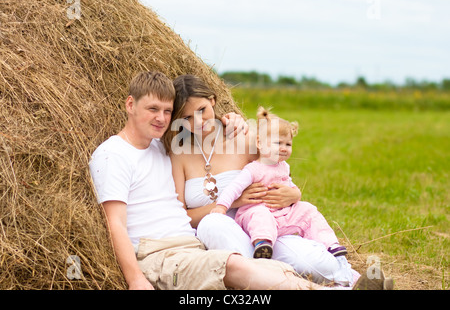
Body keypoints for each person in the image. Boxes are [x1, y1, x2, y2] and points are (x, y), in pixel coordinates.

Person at [89, 70, 331, 290]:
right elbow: (115, 224)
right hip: (160, 254)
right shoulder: (113, 154)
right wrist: (136, 280)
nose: (161, 118)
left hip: (192, 246)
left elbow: (267, 158)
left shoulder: (161, 147)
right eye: (153, 109)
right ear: (130, 104)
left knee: (271, 267)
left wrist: (232, 120)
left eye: (166, 111)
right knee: (234, 265)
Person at [165, 74, 358, 287]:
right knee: (212, 223)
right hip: (222, 238)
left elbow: (278, 175)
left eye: (202, 110)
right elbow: (181, 216)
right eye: (188, 117)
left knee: (324, 266)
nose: (199, 121)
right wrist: (235, 202)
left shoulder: (243, 137)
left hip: (263, 230)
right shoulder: (179, 154)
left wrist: (295, 195)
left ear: (213, 100)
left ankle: (337, 278)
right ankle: (273, 278)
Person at [210, 107, 347, 260]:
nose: (283, 148)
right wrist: (221, 206)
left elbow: (289, 184)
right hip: (254, 215)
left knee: (309, 209)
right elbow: (234, 188)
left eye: (288, 145)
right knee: (259, 214)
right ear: (260, 144)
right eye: (278, 143)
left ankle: (329, 243)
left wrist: (295, 194)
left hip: (281, 215)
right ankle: (263, 243)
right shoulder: (253, 169)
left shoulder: (284, 167)